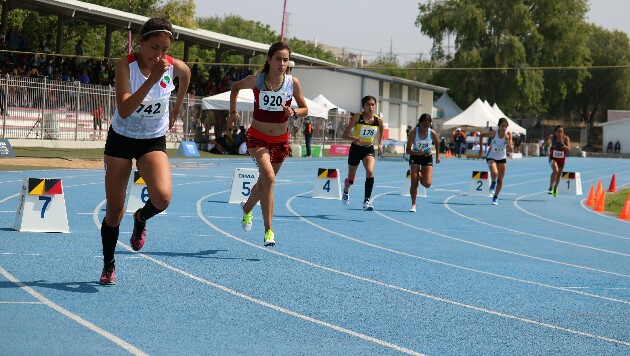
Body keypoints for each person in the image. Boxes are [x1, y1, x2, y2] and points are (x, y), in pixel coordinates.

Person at [98, 18, 191, 285]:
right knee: (115, 211)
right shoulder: (125, 66)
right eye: (153, 48)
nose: (159, 56)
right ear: (140, 43)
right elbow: (125, 110)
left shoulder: (171, 66)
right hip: (122, 139)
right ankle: (109, 264)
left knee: (162, 198)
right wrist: (152, 79)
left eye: (164, 49)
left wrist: (176, 108)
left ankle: (141, 218)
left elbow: (186, 74)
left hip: (152, 139)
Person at [228, 42, 308, 247]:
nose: (282, 63)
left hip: (281, 141)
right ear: (269, 60)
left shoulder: (292, 83)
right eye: (278, 59)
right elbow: (235, 88)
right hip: (258, 138)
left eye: (285, 59)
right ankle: (269, 230)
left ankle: (246, 209)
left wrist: (294, 112)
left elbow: (304, 108)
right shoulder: (257, 81)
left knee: (265, 183)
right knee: (269, 178)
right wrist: (232, 113)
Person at [341, 95, 384, 211]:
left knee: (370, 171)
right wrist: (353, 139)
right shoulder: (357, 117)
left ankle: (366, 201)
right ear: (363, 106)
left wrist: (379, 143)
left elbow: (381, 130)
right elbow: (344, 135)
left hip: (368, 149)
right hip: (356, 148)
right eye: (368, 105)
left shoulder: (378, 120)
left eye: (372, 105)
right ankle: (346, 190)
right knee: (351, 179)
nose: (370, 107)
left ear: (375, 106)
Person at [405, 113, 440, 212]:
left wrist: (437, 156)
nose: (425, 128)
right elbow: (408, 150)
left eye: (427, 126)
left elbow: (437, 143)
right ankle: (413, 204)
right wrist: (416, 152)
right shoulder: (413, 132)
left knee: (427, 184)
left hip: (427, 157)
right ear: (419, 123)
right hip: (415, 156)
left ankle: (420, 176)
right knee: (414, 183)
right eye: (423, 125)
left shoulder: (432, 133)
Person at [478, 118, 513, 205]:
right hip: (492, 156)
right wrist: (481, 149)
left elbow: (511, 150)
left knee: (500, 180)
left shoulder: (508, 134)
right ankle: (493, 182)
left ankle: (495, 197)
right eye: (502, 126)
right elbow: (482, 135)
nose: (504, 128)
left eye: (506, 126)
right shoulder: (494, 133)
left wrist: (508, 140)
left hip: (502, 157)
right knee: (495, 173)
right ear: (499, 126)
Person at [547, 125, 571, 197]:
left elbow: (568, 149)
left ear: (563, 133)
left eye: (561, 132)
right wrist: (543, 145)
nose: (560, 133)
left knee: (558, 176)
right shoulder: (552, 137)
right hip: (552, 158)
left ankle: (555, 188)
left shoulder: (566, 139)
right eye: (558, 132)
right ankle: (551, 187)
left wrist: (563, 145)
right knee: (555, 170)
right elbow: (547, 139)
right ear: (555, 132)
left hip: (561, 160)